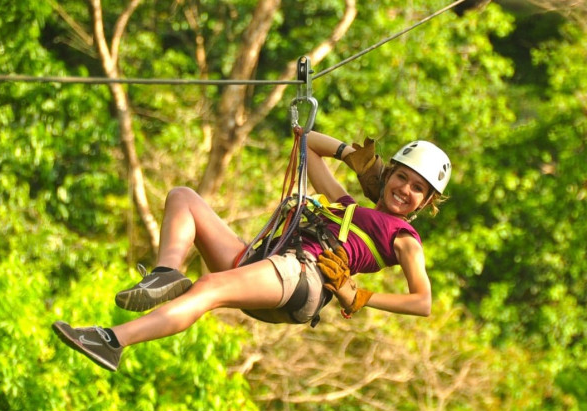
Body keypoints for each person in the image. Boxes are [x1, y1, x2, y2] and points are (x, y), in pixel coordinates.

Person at [52, 131, 452, 372]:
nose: (406, 190)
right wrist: (350, 155)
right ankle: (166, 273)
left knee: (208, 288)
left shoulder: (403, 237)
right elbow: (306, 142)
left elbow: (423, 301)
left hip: (302, 277)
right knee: (183, 198)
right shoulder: (346, 203)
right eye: (401, 177)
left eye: (418, 189)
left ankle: (111, 341)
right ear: (386, 176)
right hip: (267, 263)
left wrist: (359, 296)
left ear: (426, 202)